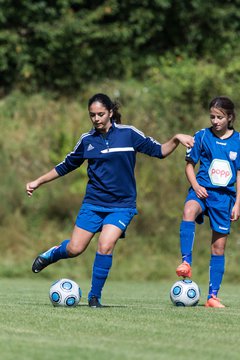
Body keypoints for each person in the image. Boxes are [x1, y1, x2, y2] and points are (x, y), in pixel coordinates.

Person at [26, 93, 194, 308]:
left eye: (101, 114)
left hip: (122, 206)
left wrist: (177, 138)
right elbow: (65, 165)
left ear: (111, 113)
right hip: (93, 203)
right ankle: (53, 254)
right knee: (75, 249)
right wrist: (38, 181)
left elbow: (159, 151)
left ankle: (94, 297)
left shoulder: (128, 134)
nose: (96, 119)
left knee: (105, 245)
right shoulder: (87, 141)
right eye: (92, 115)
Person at [176, 96, 240, 308]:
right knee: (188, 210)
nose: (215, 121)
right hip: (202, 190)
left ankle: (212, 296)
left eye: (220, 117)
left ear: (230, 117)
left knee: (218, 248)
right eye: (212, 116)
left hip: (224, 198)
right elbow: (189, 165)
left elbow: (239, 175)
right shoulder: (202, 136)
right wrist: (195, 186)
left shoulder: (238, 141)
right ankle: (186, 262)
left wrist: (238, 203)